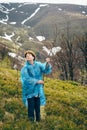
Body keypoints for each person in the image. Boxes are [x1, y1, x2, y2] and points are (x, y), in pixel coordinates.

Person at [20, 50, 52, 122]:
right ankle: (31, 124)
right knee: (31, 108)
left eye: (29, 55)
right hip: (29, 91)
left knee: (38, 108)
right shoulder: (25, 68)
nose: (27, 56)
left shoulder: (38, 64)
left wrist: (47, 63)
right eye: (26, 56)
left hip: (38, 91)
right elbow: (25, 79)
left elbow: (45, 70)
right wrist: (37, 81)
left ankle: (38, 122)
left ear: (33, 57)